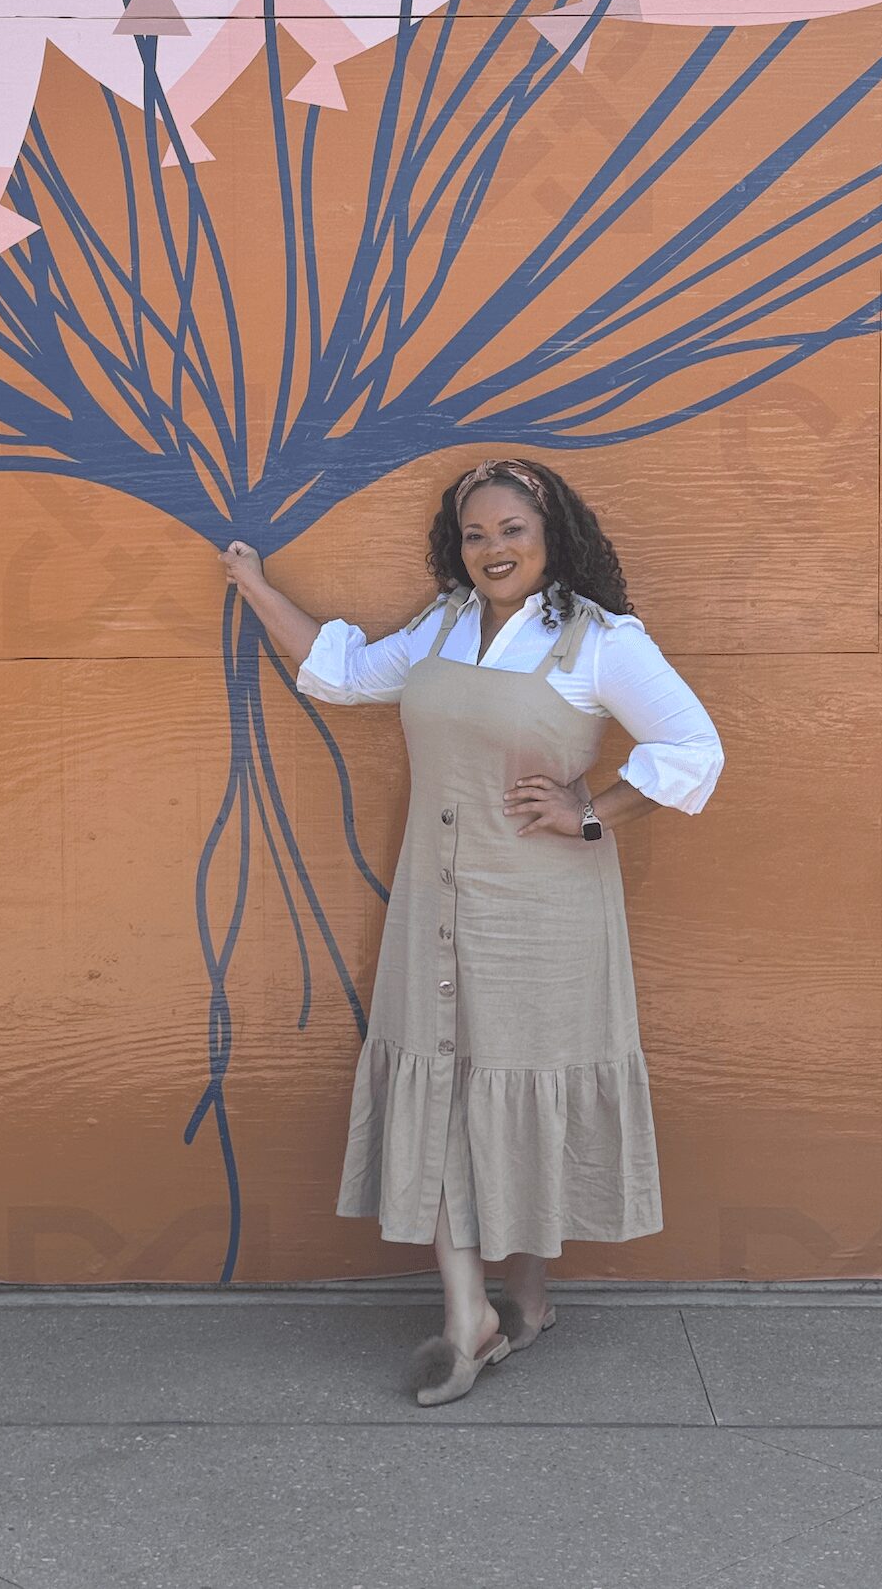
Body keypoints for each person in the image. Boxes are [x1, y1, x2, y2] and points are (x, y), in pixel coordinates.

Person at [217, 456, 724, 1405]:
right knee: (446, 1083)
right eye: (475, 534)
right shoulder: (445, 623)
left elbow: (693, 747)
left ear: (551, 536)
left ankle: (526, 1296)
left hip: (545, 913)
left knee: (524, 1087)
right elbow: (344, 675)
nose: (492, 549)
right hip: (434, 901)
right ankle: (469, 1317)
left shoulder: (601, 640)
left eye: (512, 530)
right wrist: (254, 585)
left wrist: (590, 811)